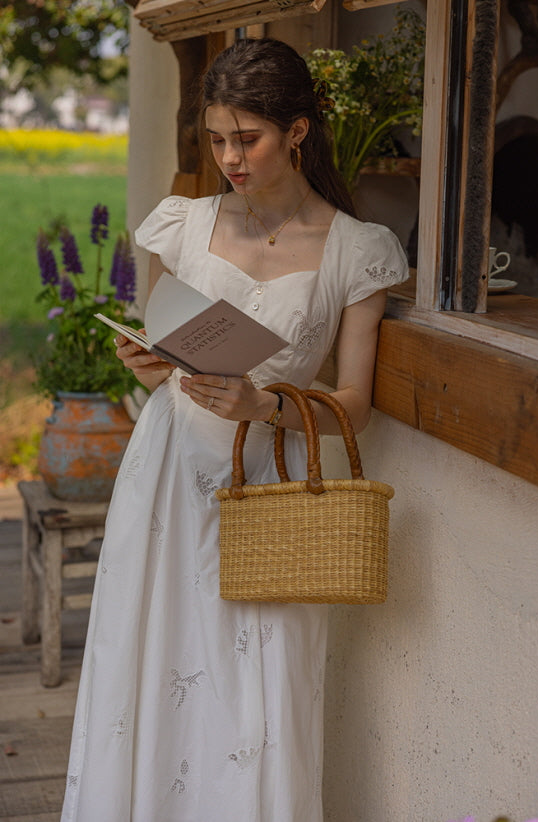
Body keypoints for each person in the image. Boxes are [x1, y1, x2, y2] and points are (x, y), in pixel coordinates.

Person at [61, 37, 408, 822]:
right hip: (168, 471)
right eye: (216, 139)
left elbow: (354, 402)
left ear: (298, 130)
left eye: (245, 138)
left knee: (262, 686)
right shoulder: (183, 224)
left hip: (272, 487)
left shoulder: (357, 249)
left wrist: (265, 407)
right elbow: (170, 342)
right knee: (149, 660)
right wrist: (148, 364)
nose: (228, 158)